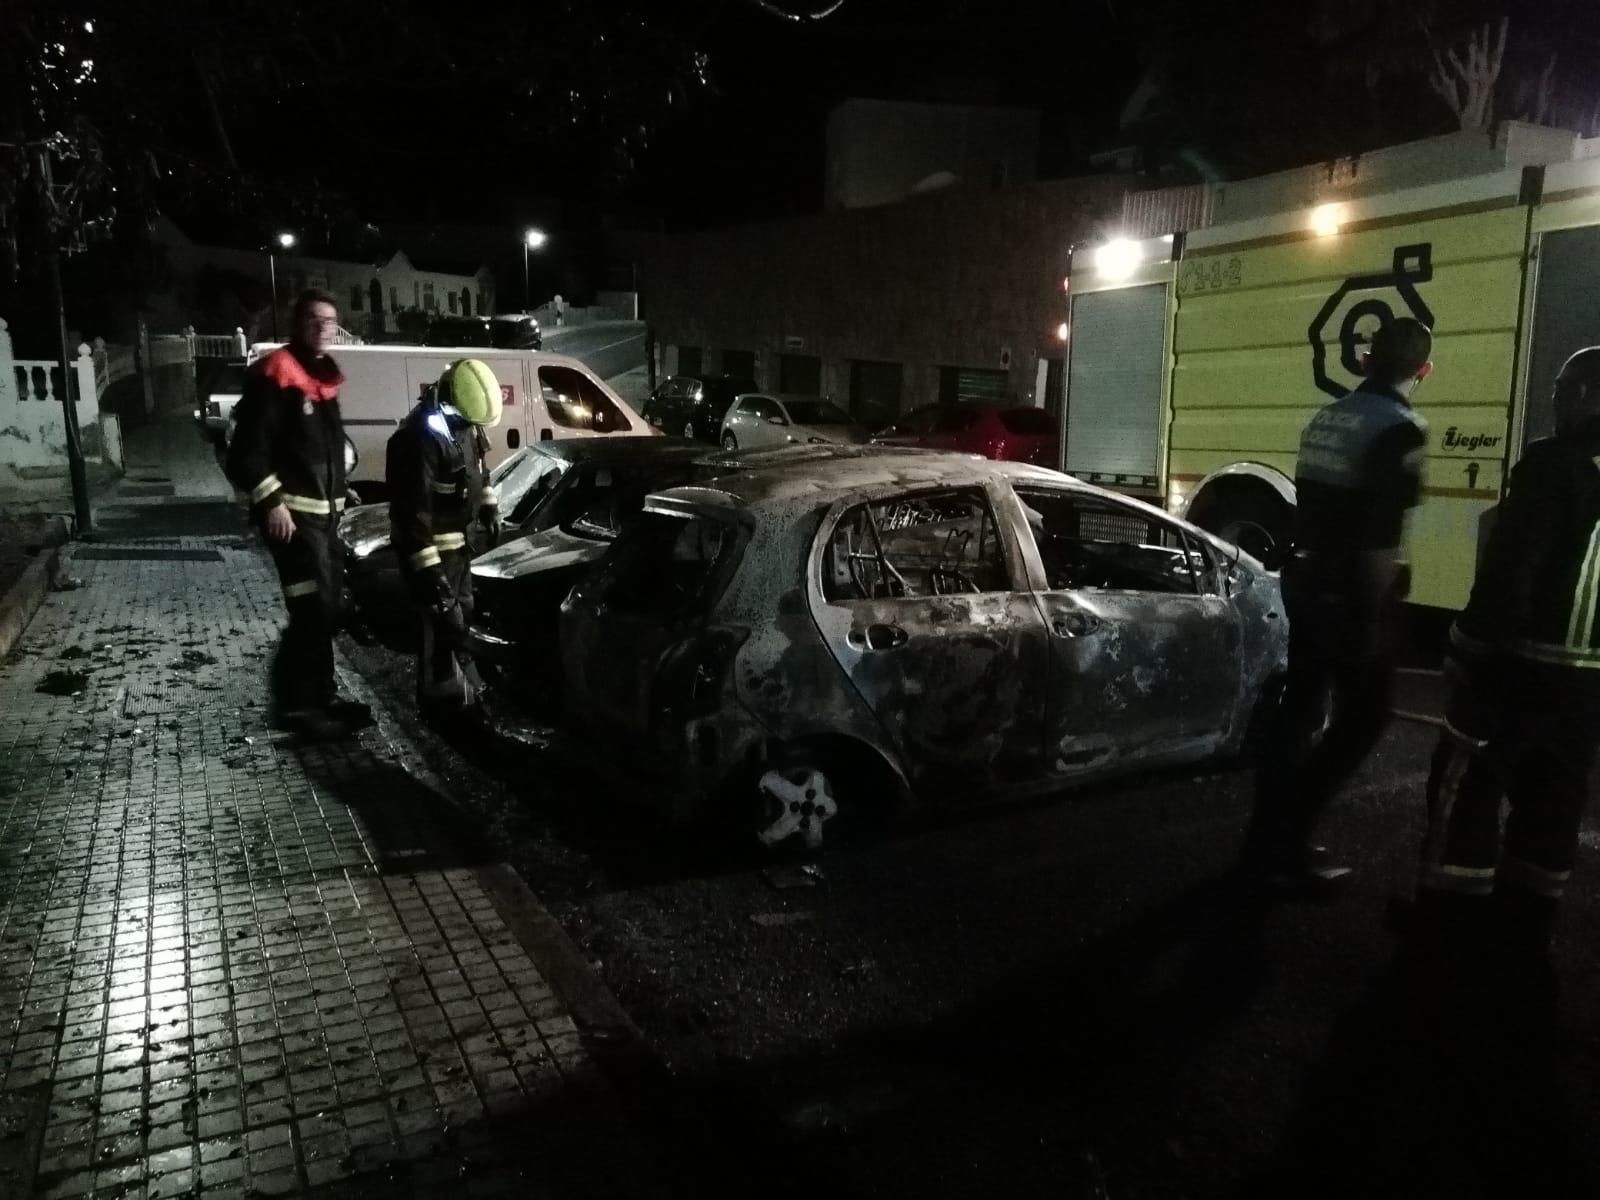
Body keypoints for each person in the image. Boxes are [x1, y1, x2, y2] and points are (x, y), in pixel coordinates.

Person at [1405, 346, 1600, 957]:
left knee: (1466, 785)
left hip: (1523, 666)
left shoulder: (1552, 467)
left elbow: (1511, 572)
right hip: (1588, 684)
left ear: (1590, 395)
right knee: (1555, 799)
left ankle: (1445, 924)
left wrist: (1469, 648)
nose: (1555, 399)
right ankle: (1526, 924)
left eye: (1564, 387)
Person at [1240, 317, 1432, 893]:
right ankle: (1287, 836)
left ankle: (1266, 838)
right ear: (1423, 369)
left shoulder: (1327, 417)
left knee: (1299, 710)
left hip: (1303, 582)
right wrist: (1371, 620)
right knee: (1366, 718)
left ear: (1369, 360)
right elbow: (1378, 538)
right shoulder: (1400, 430)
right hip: (1347, 595)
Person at [226, 288, 366, 739]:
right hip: (294, 523)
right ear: (297, 323)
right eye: (314, 320)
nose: (323, 328)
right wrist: (272, 503)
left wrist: (343, 495)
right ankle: (296, 706)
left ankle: (320, 697)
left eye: (330, 320)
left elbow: (322, 452)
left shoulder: (322, 375)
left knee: (326, 610)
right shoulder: (276, 372)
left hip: (323, 522)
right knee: (311, 610)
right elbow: (247, 450)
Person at [387, 358, 503, 721]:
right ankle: (436, 705)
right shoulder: (418, 439)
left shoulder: (465, 425)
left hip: (458, 549)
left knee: (460, 620)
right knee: (438, 627)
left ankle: (456, 694)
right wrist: (432, 578)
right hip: (430, 553)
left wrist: (488, 506)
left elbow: (479, 471)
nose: (473, 429)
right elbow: (412, 517)